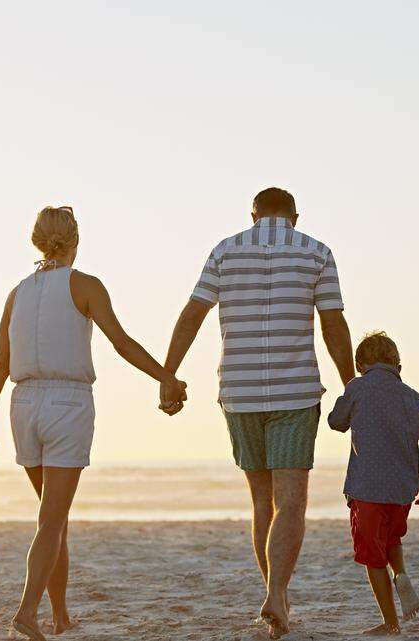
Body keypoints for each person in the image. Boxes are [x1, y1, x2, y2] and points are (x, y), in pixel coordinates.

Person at [0, 206, 186, 641]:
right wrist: (165, 376)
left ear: (37, 241)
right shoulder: (84, 285)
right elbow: (121, 341)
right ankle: (27, 613)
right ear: (75, 240)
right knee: (52, 519)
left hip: (23, 404)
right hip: (66, 404)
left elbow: (0, 364)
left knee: (54, 516)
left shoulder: (16, 293)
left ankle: (60, 616)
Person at [163, 187, 355, 638]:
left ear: (253, 216)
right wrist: (352, 386)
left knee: (260, 501)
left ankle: (275, 593)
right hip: (295, 392)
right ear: (295, 217)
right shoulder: (317, 252)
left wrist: (168, 373)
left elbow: (193, 313)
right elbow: (333, 322)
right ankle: (277, 594)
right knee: (292, 502)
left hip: (240, 391)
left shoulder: (225, 252)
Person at [326, 331, 419, 636]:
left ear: (361, 363)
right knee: (391, 539)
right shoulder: (413, 396)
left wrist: (348, 396)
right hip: (403, 488)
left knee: (371, 554)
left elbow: (336, 422)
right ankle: (400, 574)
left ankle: (391, 623)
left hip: (366, 487)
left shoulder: (358, 388)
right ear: (397, 364)